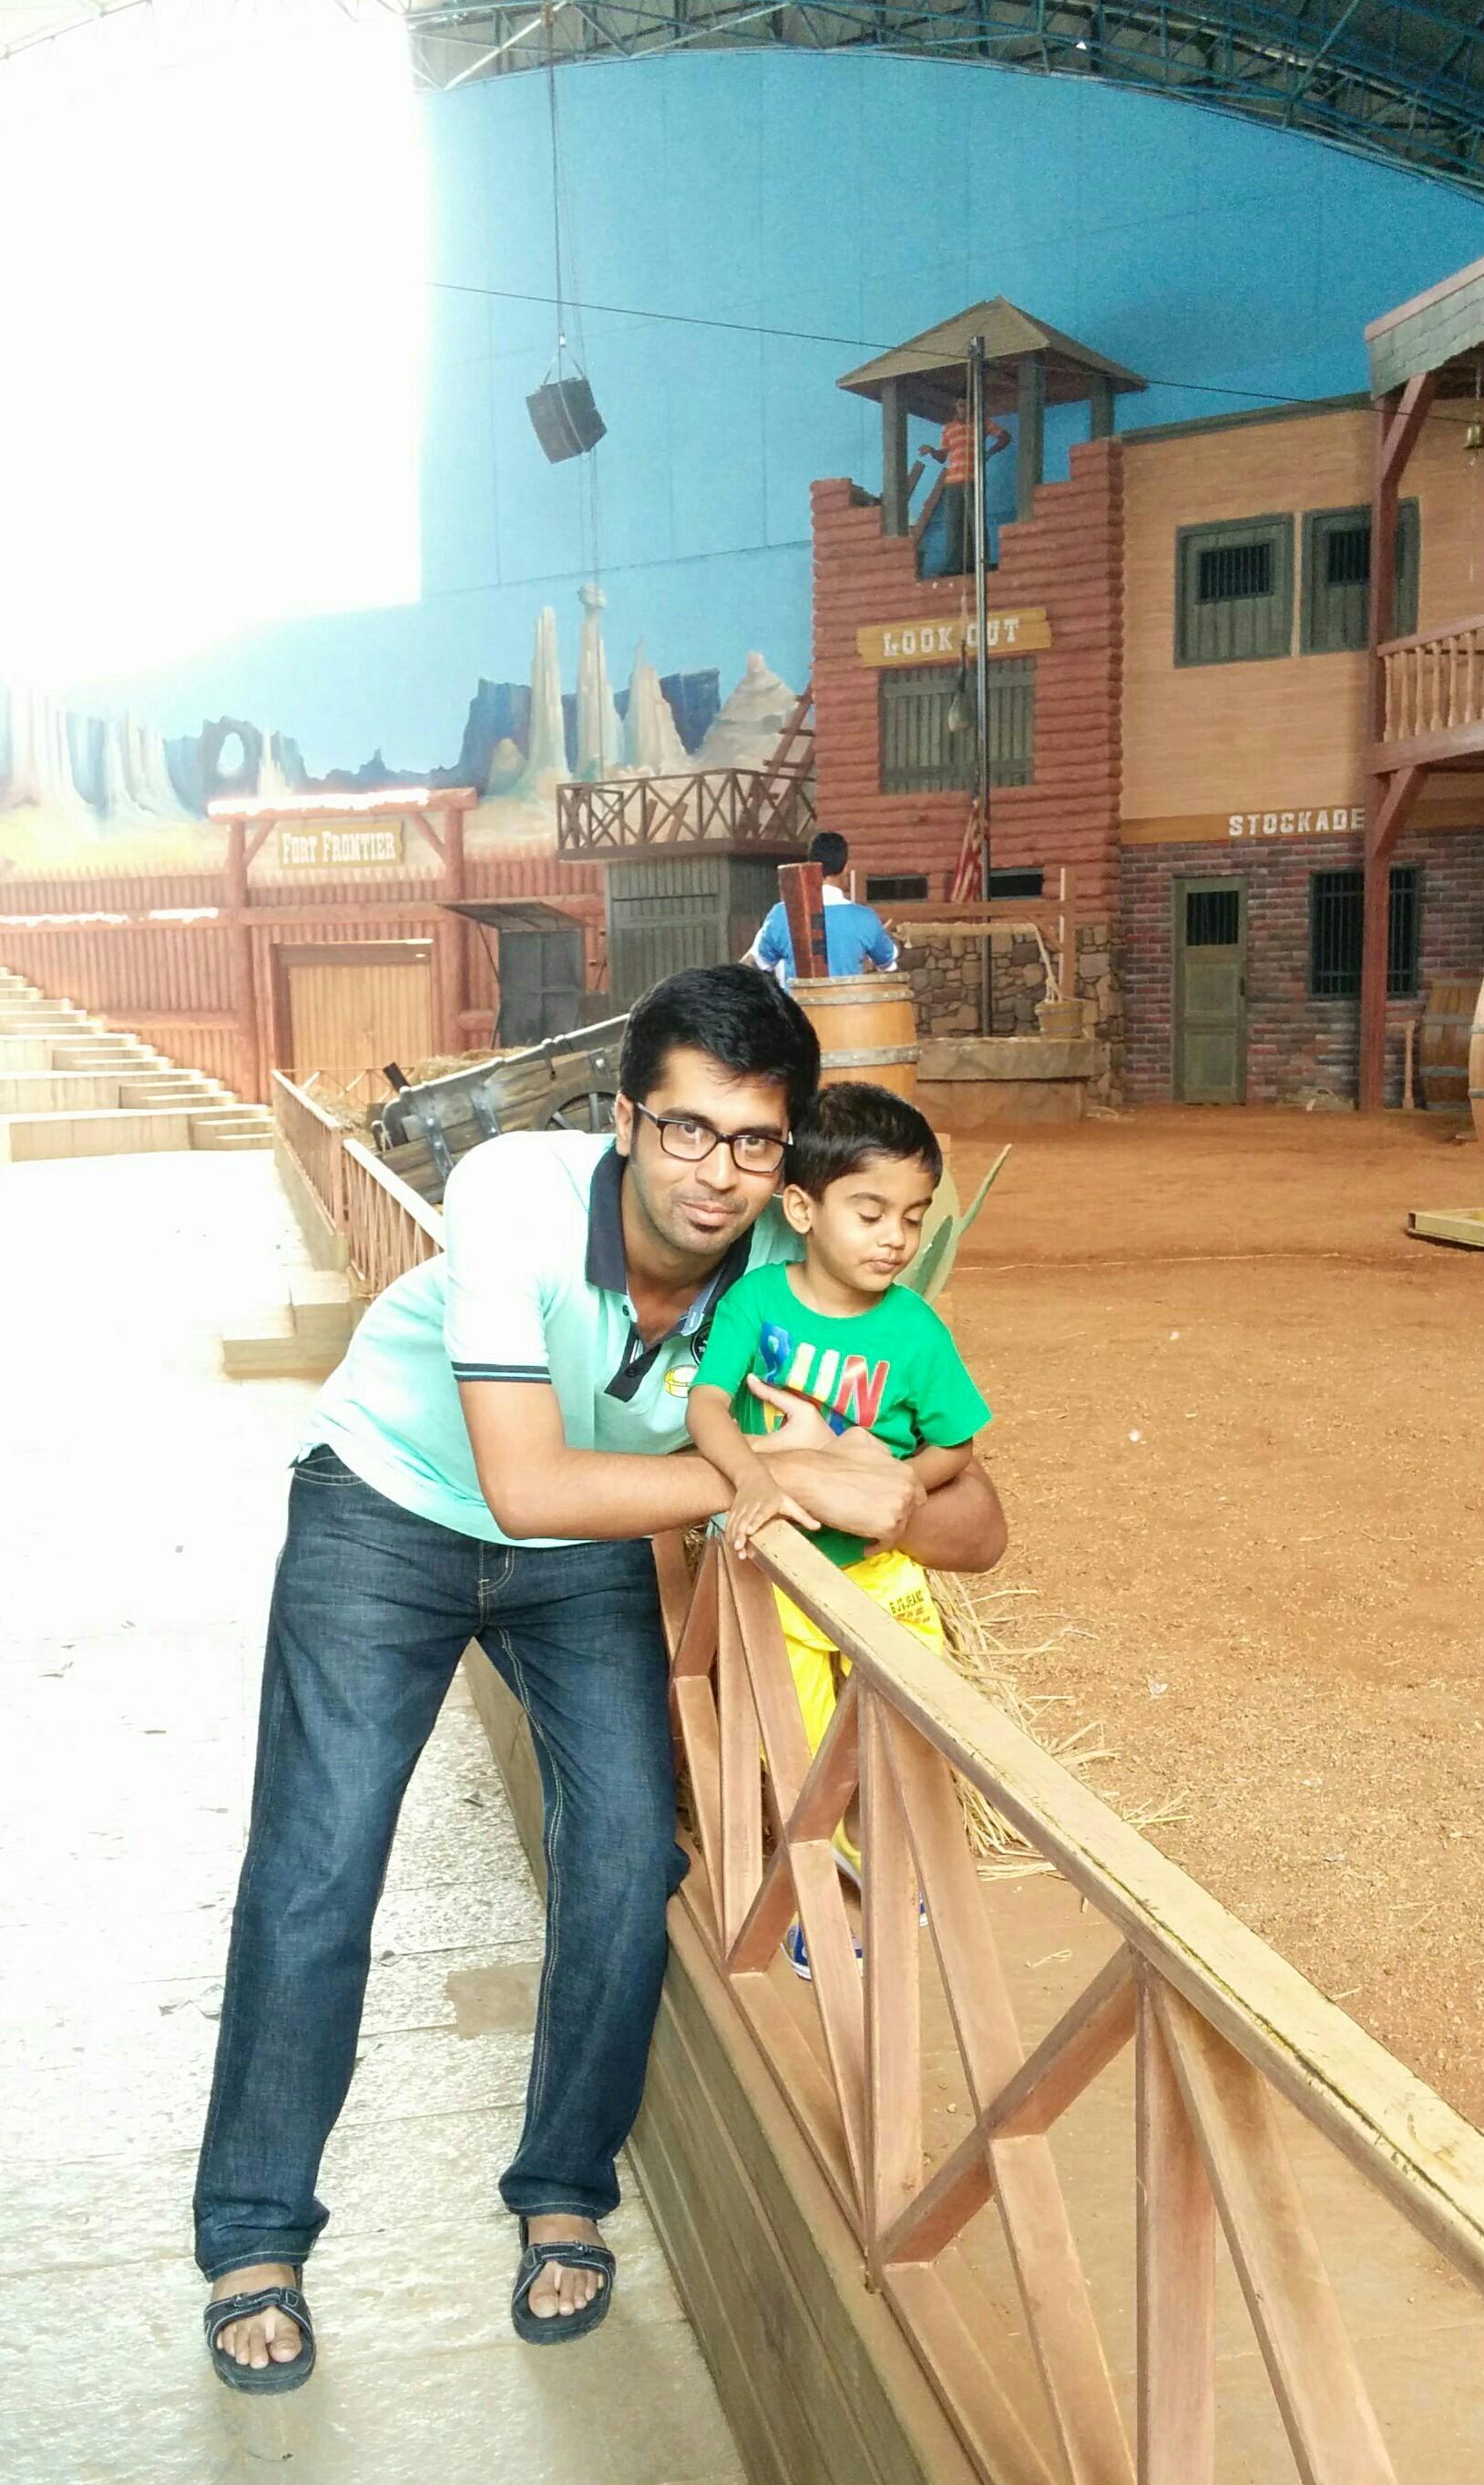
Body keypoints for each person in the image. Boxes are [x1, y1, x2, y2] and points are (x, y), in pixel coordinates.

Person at [194, 966, 1005, 2389]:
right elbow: (525, 1484)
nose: (716, 1174)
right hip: (389, 1507)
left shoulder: (790, 1276)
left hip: (589, 1543)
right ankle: (255, 2230)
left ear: (789, 1161)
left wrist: (877, 1495)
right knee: (321, 1860)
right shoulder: (518, 1190)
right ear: (625, 1121)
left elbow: (975, 1517)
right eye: (686, 1129)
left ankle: (563, 2191)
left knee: (628, 1852)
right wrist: (770, 1475)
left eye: (754, 1142)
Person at [686, 1081, 990, 1976]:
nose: (895, 1238)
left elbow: (956, 1444)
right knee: (803, 1754)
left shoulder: (915, 1331)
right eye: (870, 1213)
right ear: (802, 1209)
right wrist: (756, 1478)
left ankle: (889, 1872)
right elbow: (707, 1407)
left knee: (907, 1730)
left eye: (913, 1218)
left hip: (881, 1573)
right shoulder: (756, 1304)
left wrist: (892, 1483)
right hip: (774, 1574)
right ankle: (813, 1912)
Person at [746, 830, 900, 986]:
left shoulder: (781, 914)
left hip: (795, 1001)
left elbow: (756, 965)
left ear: (811, 865)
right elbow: (888, 965)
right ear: (845, 867)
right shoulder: (865, 919)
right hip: (848, 1001)